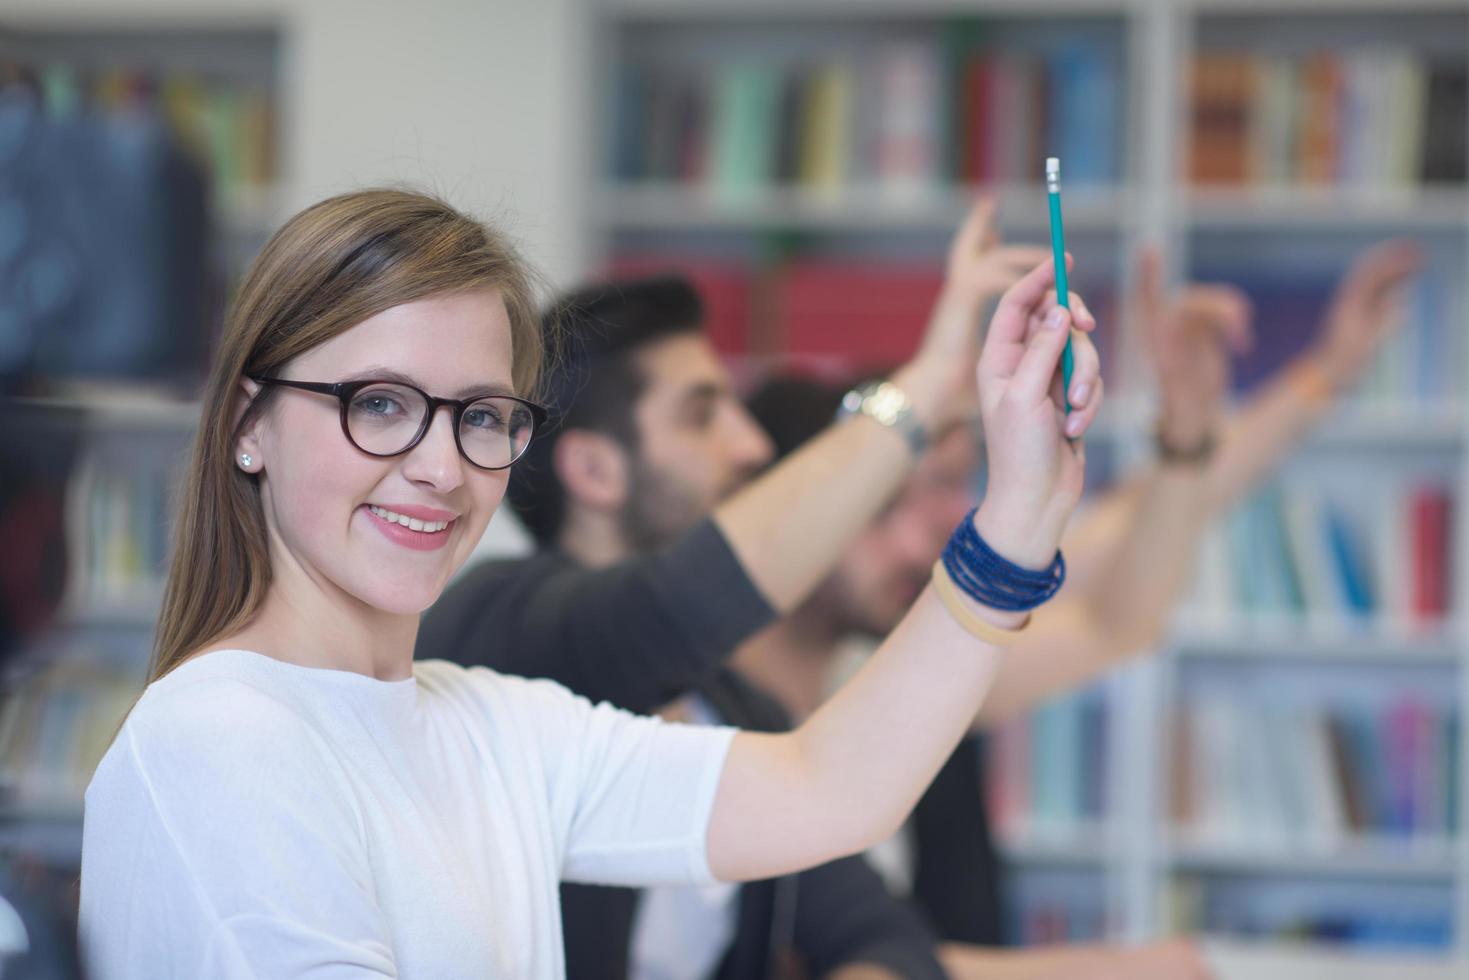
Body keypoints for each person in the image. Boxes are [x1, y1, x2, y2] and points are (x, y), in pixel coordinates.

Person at [77, 187, 1104, 980]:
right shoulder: (219, 737)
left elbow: (827, 787)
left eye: (480, 415)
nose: (440, 465)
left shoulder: (489, 724)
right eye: (380, 403)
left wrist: (1014, 514)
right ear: (251, 421)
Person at [733, 239, 1420, 980]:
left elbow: (1117, 600)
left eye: (951, 485)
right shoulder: (706, 721)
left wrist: (1299, 387)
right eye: (887, 501)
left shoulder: (877, 665)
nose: (932, 526)